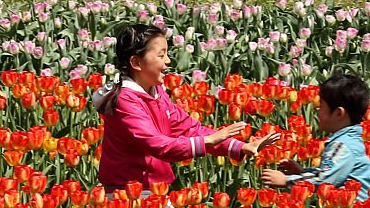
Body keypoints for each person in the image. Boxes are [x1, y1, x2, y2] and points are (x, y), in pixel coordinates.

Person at [93, 23, 279, 197]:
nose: (168, 61)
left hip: (154, 189)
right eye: (161, 55)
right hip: (126, 194)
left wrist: (240, 147)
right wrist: (208, 141)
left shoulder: (156, 93)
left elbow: (189, 128)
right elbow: (156, 144)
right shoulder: (125, 101)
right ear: (136, 62)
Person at [260, 73, 370, 201]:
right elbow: (330, 173)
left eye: (321, 106)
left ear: (338, 113)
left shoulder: (343, 146)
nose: (317, 111)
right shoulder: (349, 141)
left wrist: (286, 180)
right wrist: (302, 172)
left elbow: (325, 180)